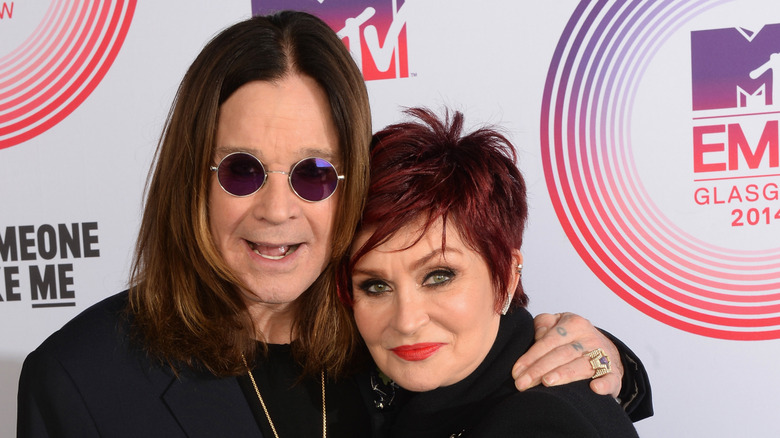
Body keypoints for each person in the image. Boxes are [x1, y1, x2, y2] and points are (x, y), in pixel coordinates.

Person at [16, 11, 648, 438]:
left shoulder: (384, 325)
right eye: (242, 171)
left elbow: (497, 359)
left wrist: (608, 363)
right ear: (191, 178)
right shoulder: (78, 381)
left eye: (313, 173)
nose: (278, 209)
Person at [340, 107, 642, 437]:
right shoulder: (367, 387)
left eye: (439, 276)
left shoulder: (541, 424)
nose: (406, 321)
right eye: (376, 286)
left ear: (507, 277)